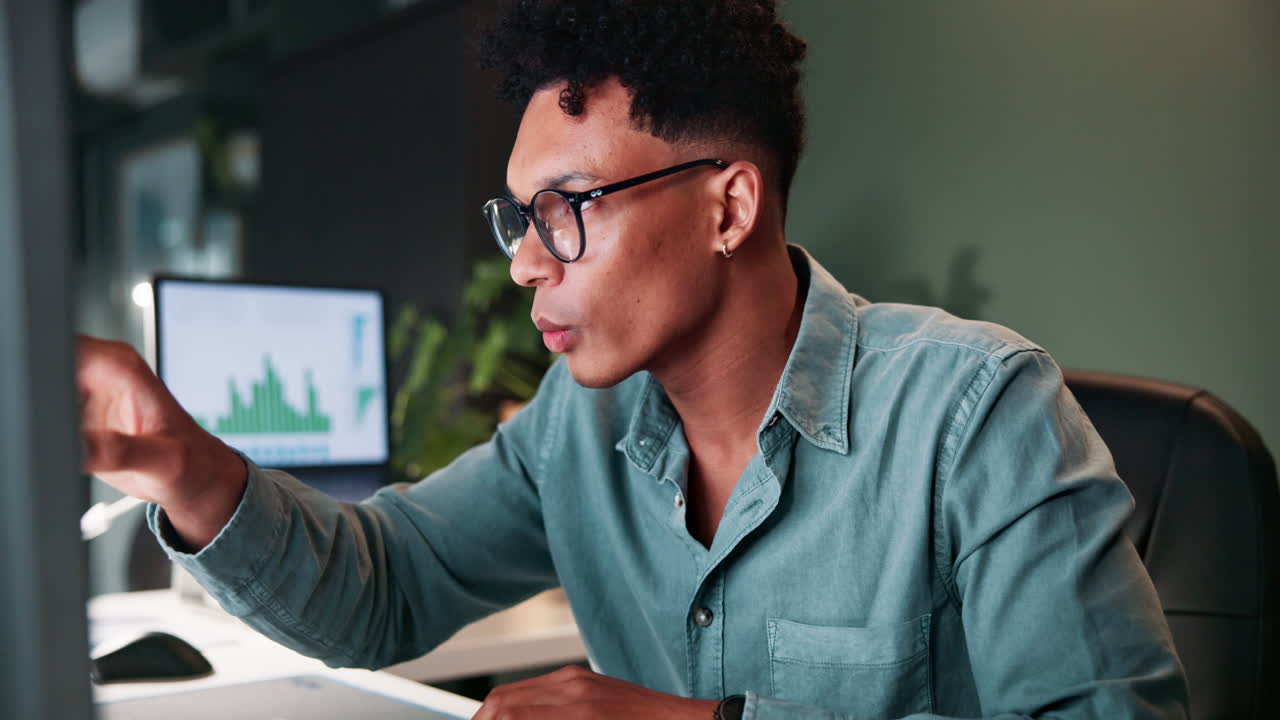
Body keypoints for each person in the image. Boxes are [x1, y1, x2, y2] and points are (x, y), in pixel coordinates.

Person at [77, 1, 1189, 718]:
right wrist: (183, 463)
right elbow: (384, 581)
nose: (523, 266)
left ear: (727, 207)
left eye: (568, 208)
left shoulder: (976, 413)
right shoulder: (580, 424)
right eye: (519, 218)